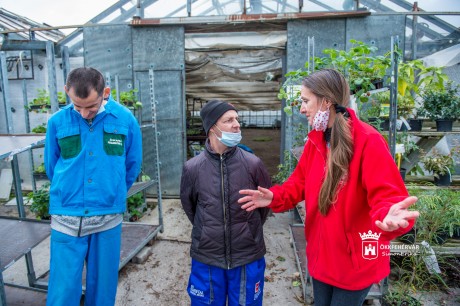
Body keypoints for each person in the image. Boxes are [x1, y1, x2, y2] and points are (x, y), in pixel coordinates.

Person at [238, 69, 420, 306]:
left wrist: (389, 215)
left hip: (354, 262)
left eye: (305, 101)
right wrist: (274, 196)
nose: (301, 108)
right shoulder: (317, 139)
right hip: (322, 256)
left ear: (326, 101)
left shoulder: (368, 140)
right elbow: (299, 182)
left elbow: (387, 195)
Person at [44, 67, 142, 306]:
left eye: (91, 107)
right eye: (77, 107)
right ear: (67, 92)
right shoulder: (57, 122)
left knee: (103, 287)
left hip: (107, 217)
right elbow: (51, 165)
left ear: (105, 92)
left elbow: (132, 164)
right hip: (67, 216)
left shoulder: (125, 120)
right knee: (62, 289)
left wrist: (111, 192)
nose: (85, 113)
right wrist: (69, 191)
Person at [180, 100, 271, 306]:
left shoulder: (253, 164)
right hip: (207, 256)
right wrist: (209, 229)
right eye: (229, 120)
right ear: (212, 127)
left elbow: (264, 206)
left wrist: (246, 229)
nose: (237, 124)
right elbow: (191, 207)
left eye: (237, 119)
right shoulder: (192, 168)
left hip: (246, 255)